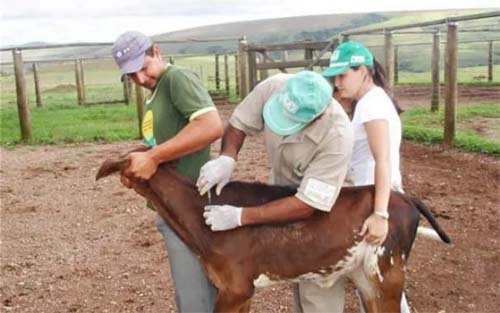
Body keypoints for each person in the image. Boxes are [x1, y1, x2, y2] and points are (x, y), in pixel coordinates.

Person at [196, 70, 354, 312]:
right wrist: (227, 157)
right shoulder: (275, 86)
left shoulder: (337, 135)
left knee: (317, 281)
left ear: (315, 117)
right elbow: (239, 123)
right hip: (280, 187)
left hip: (325, 205)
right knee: (292, 266)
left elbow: (307, 204)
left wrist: (240, 216)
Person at [111, 31, 223, 312]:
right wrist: (137, 162)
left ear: (157, 52)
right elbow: (163, 144)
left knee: (193, 298)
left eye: (143, 68)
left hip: (188, 207)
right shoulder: (155, 93)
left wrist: (153, 157)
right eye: (131, 76)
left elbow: (211, 126)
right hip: (174, 207)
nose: (139, 79)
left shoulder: (176, 79)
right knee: (200, 289)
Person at [322, 41, 409, 313]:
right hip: (371, 196)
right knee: (375, 284)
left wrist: (380, 214)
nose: (337, 83)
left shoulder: (372, 105)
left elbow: (382, 159)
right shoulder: (370, 101)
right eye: (335, 77)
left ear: (364, 71)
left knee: (381, 287)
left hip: (376, 199)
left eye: (343, 75)